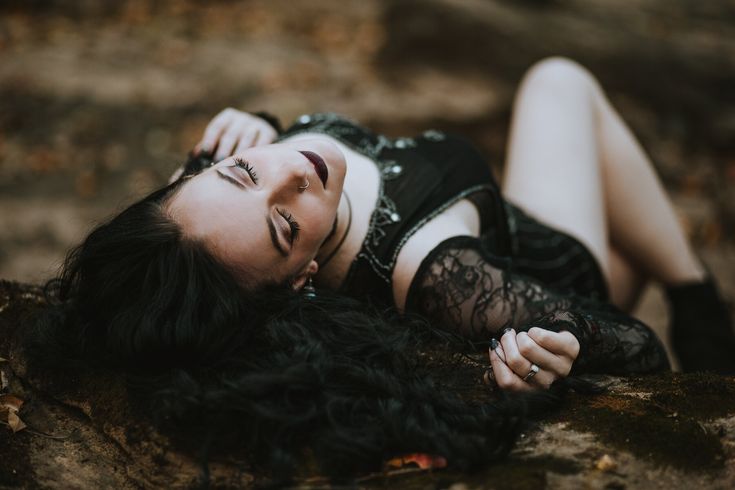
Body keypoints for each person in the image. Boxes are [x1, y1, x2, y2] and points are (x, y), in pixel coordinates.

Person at [26, 57, 734, 479]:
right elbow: (639, 347)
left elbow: (241, 192)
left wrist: (258, 129)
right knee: (559, 81)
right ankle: (696, 298)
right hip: (561, 264)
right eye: (283, 223)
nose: (293, 173)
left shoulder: (207, 211)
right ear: (301, 279)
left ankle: (692, 286)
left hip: (506, 216)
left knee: (559, 82)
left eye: (241, 171)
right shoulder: (436, 274)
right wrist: (562, 341)